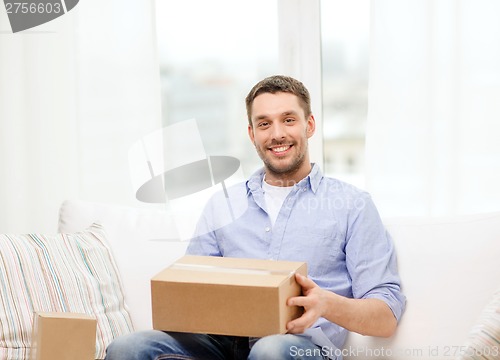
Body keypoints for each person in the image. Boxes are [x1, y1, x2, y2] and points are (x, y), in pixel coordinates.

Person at [105, 75, 406, 360]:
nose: (277, 134)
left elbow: (386, 317)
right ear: (252, 134)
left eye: (288, 120)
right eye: (264, 124)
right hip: (222, 345)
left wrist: (328, 304)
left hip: (300, 347)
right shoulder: (222, 204)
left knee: (270, 350)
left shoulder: (352, 205)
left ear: (309, 125)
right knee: (129, 347)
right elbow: (192, 291)